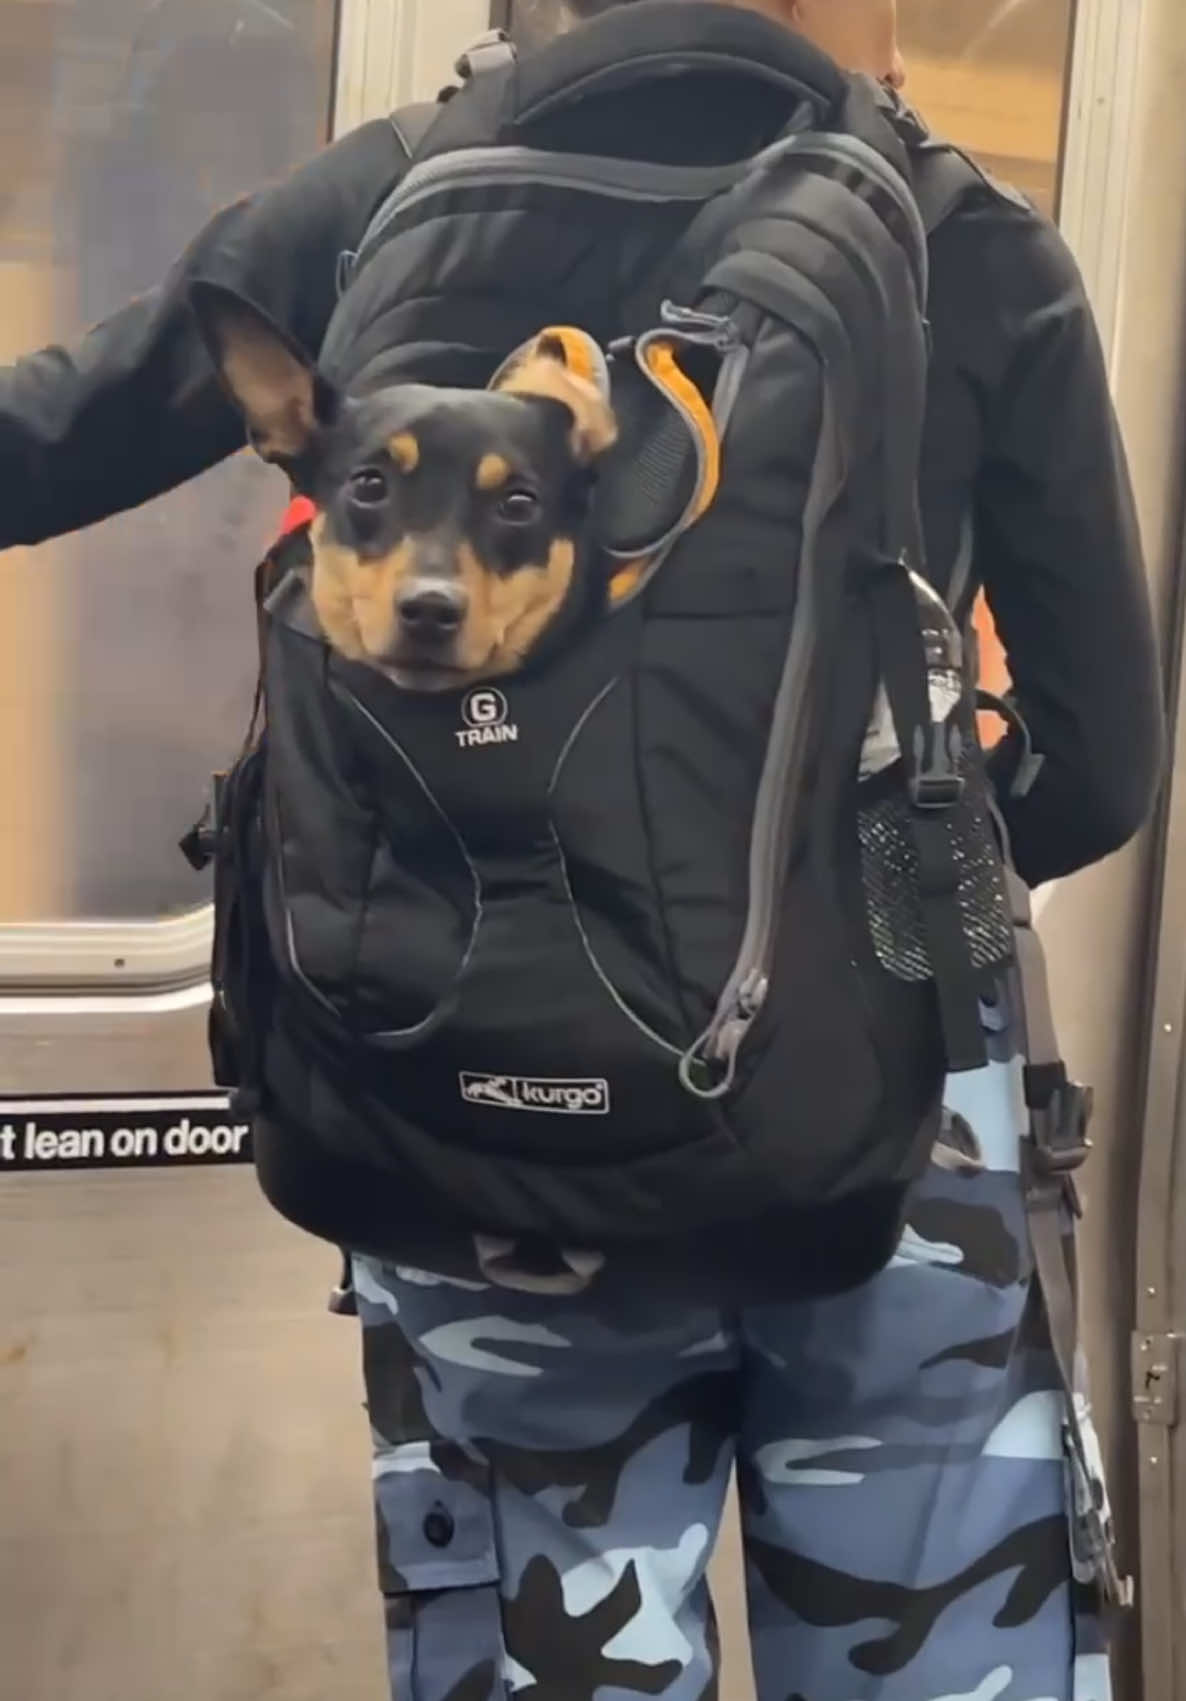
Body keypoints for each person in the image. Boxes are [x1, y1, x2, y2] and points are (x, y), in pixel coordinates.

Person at [0, 2, 1163, 1698]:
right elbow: (1100, 763)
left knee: (555, 1654)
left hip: (480, 1124)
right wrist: (881, 907)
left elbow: (47, 435)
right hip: (888, 1130)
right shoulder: (958, 235)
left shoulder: (384, 192)